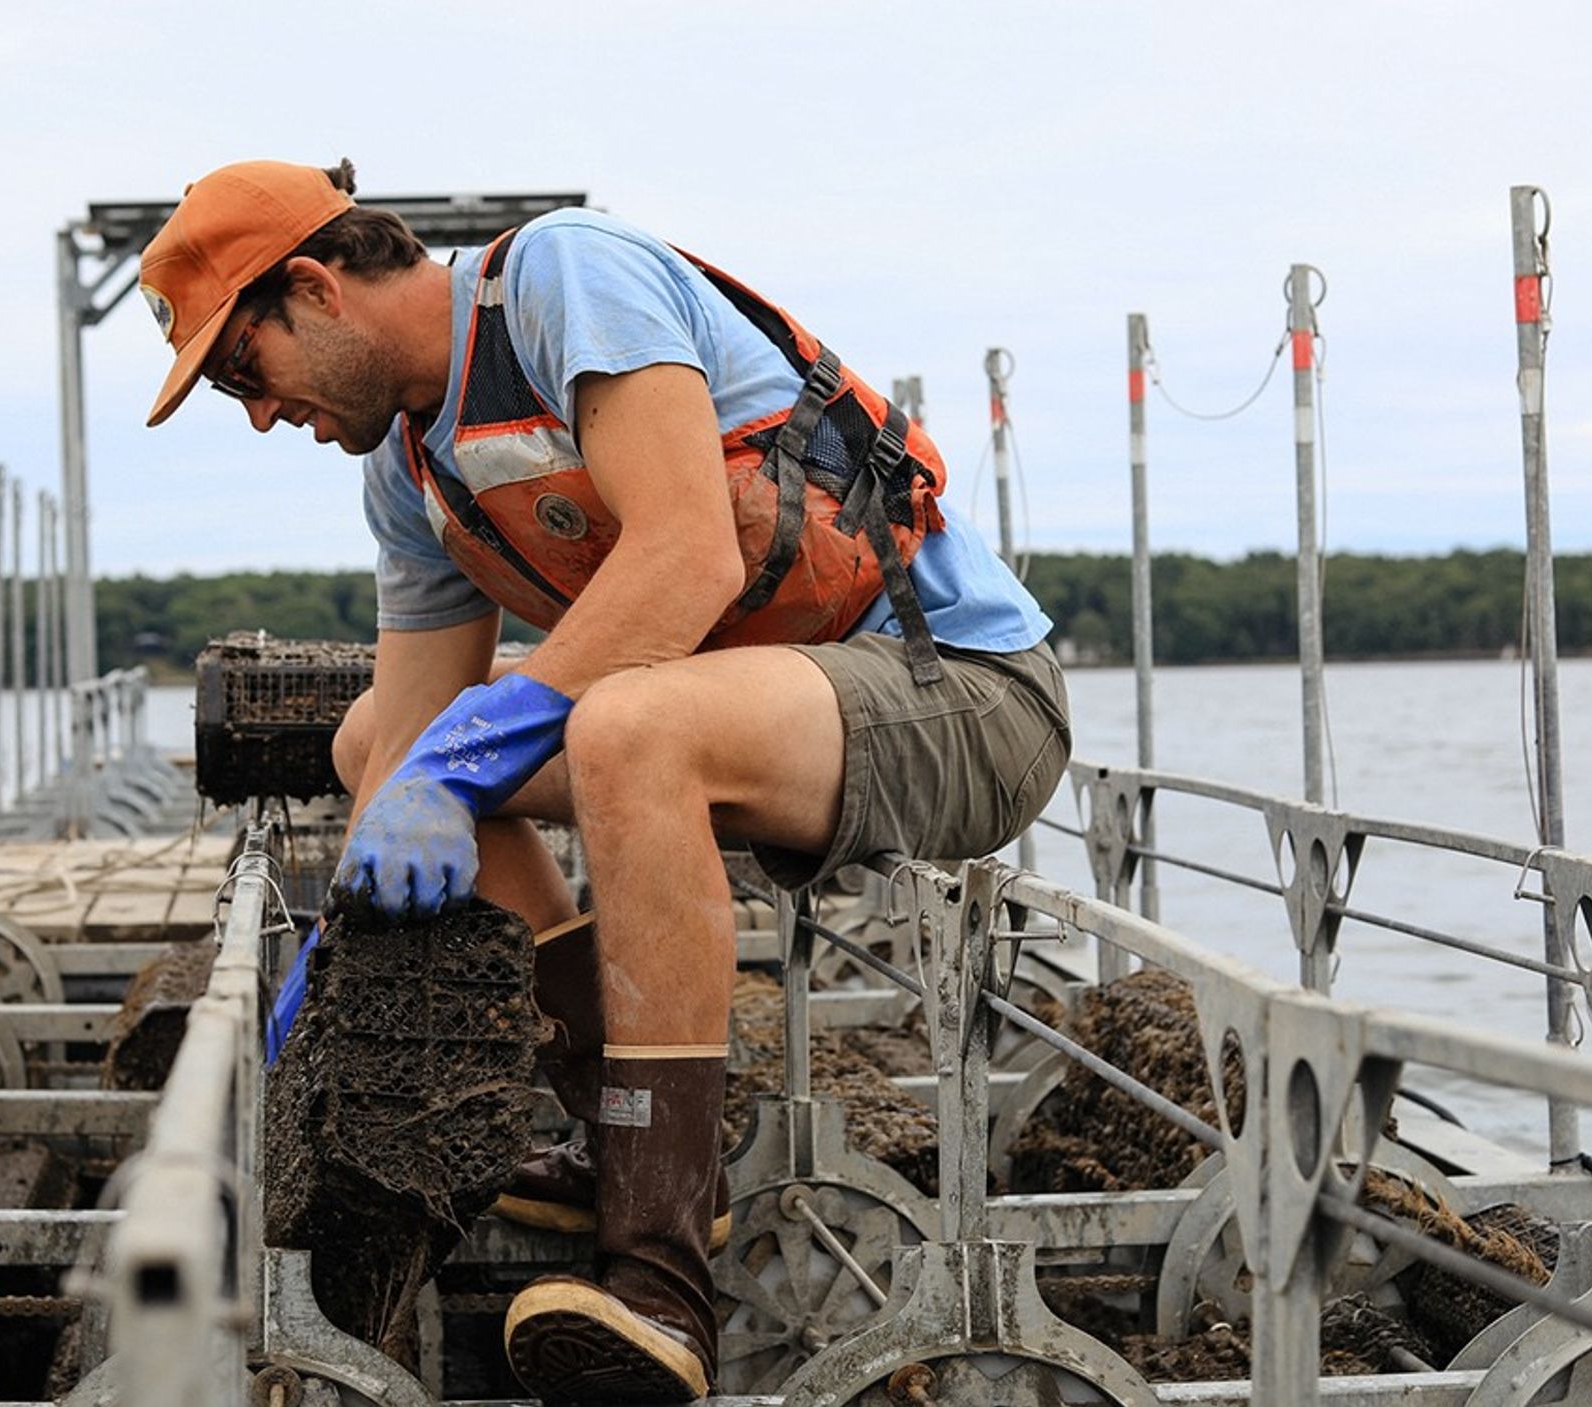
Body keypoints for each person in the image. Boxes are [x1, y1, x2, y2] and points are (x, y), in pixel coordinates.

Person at [140, 159, 1070, 1403]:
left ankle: (663, 1281)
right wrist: (314, 983)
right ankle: (615, 1125)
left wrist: (467, 760)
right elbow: (409, 738)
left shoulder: (563, 279)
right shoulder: (409, 470)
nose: (259, 416)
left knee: (625, 728)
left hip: (960, 692)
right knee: (373, 739)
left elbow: (686, 560)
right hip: (771, 714)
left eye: (246, 371)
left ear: (315, 287)